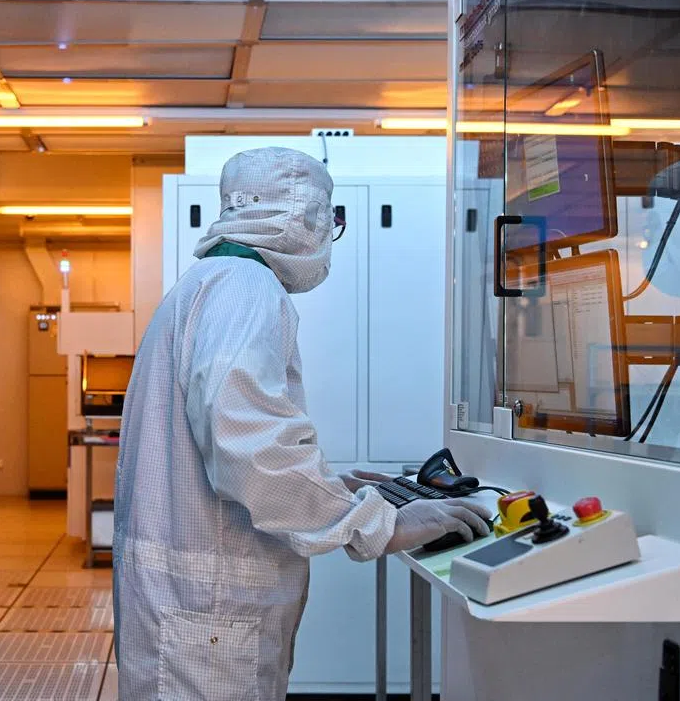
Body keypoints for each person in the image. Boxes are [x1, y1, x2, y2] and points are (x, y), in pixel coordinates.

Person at [113, 147, 492, 701]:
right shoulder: (245, 287)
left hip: (188, 610)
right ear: (308, 217)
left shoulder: (203, 285)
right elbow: (248, 444)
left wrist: (332, 488)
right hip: (209, 620)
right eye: (330, 221)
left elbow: (221, 445)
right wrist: (375, 522)